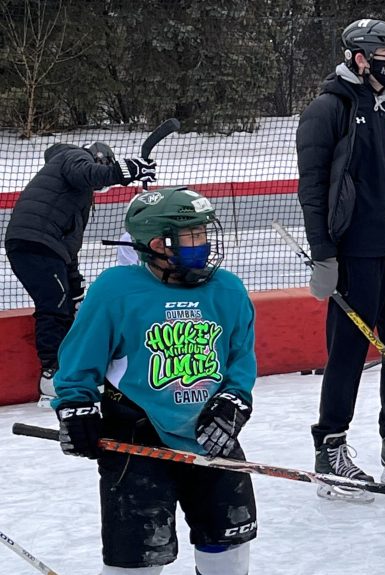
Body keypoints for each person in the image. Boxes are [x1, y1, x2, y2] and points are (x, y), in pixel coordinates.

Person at [51, 186, 257, 574]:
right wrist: (75, 407)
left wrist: (234, 401)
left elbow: (240, 360)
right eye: (191, 236)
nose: (204, 244)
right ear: (158, 243)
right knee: (138, 562)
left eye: (203, 233)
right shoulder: (116, 290)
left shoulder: (227, 288)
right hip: (136, 440)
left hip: (211, 438)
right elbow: (79, 362)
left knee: (228, 553)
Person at [295, 18, 385, 501]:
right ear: (359, 57)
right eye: (384, 54)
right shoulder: (330, 107)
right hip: (355, 254)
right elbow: (313, 189)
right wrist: (323, 255)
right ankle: (331, 446)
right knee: (347, 355)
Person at [4, 142, 156, 401]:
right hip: (36, 241)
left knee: (62, 303)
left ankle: (64, 369)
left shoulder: (73, 195)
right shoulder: (72, 156)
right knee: (54, 306)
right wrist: (126, 171)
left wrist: (76, 290)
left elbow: (69, 246)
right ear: (99, 157)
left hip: (41, 244)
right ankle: (51, 375)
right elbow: (88, 173)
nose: (98, 186)